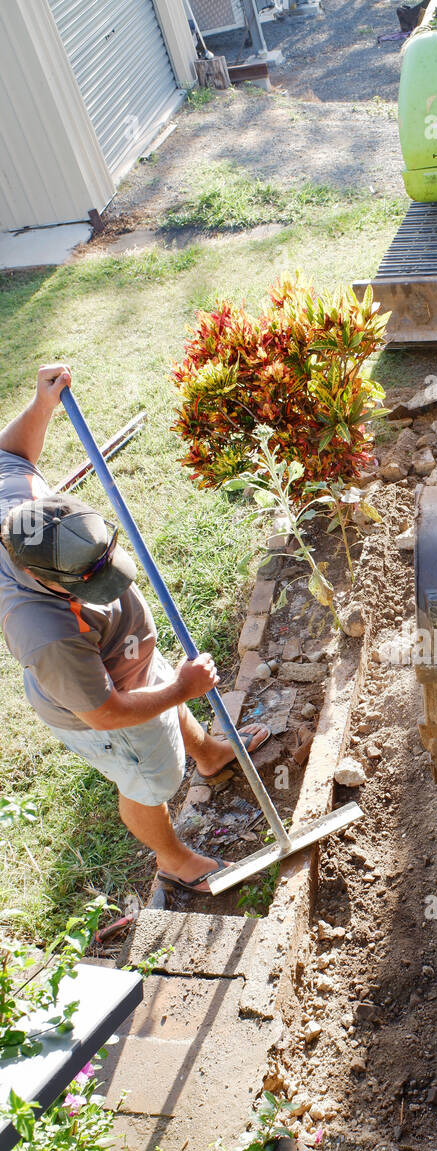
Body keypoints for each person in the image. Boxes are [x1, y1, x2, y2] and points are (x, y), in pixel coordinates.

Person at [0, 365, 270, 894]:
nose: (114, 582)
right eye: (91, 581)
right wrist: (179, 690)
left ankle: (211, 756)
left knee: (170, 693)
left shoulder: (22, 504)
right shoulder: (43, 630)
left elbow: (11, 455)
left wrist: (41, 405)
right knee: (152, 779)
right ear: (41, 577)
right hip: (100, 699)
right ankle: (173, 859)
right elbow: (106, 713)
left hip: (123, 653)